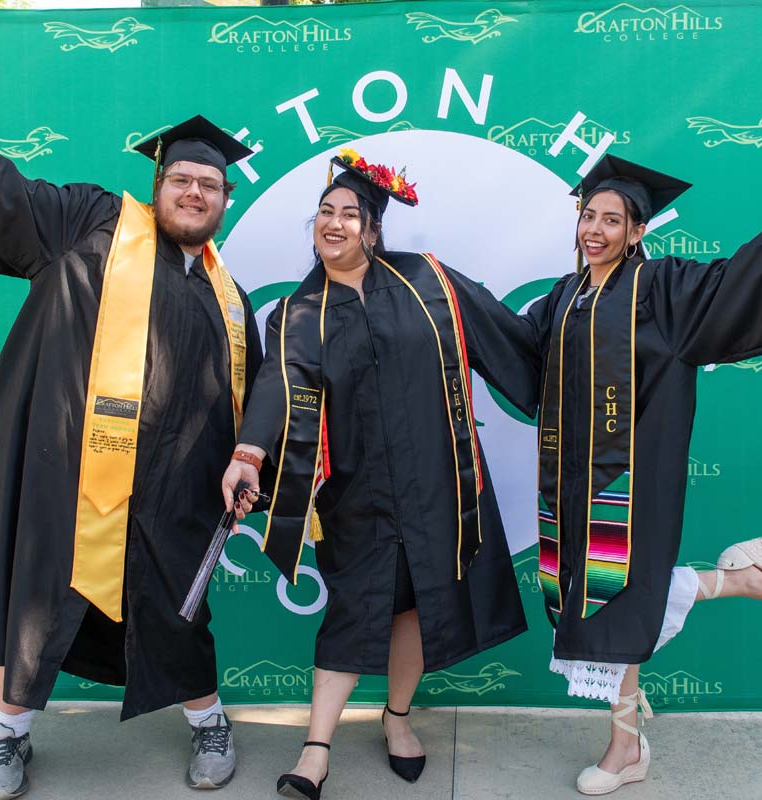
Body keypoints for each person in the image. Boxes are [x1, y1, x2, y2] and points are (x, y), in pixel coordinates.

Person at [0, 60, 263, 798]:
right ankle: (7, 735)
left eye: (209, 185)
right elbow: (1, 190)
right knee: (38, 601)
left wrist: (249, 461)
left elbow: (254, 395)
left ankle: (209, 722)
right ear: (157, 185)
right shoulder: (92, 222)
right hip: (68, 471)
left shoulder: (230, 299)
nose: (194, 193)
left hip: (177, 488)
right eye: (181, 180)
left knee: (179, 609)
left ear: (225, 200)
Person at [517, 155, 762, 795]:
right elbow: (515, 346)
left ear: (637, 231)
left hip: (635, 476)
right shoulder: (563, 298)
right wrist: (446, 302)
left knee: (622, 600)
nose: (595, 230)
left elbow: (733, 282)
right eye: (589, 216)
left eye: (612, 220)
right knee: (600, 597)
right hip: (571, 481)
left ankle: (625, 748)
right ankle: (746, 579)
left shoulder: (660, 285)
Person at [220, 150, 540, 800]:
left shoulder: (430, 280)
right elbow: (276, 388)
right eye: (325, 212)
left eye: (350, 213)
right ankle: (315, 751)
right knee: (352, 611)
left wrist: (587, 339)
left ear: (373, 227)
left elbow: (506, 334)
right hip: (354, 491)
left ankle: (397, 718)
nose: (334, 223)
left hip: (438, 483)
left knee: (418, 603)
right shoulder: (297, 314)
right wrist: (248, 454)